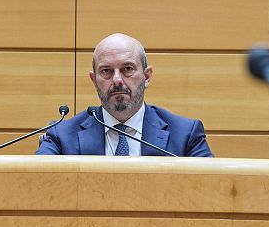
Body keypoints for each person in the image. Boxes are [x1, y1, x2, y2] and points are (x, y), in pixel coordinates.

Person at [35, 33, 213, 157]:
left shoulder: (184, 135)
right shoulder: (62, 136)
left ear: (146, 76)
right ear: (94, 80)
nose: (117, 80)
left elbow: (213, 189)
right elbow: (35, 186)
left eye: (127, 69)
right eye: (106, 71)